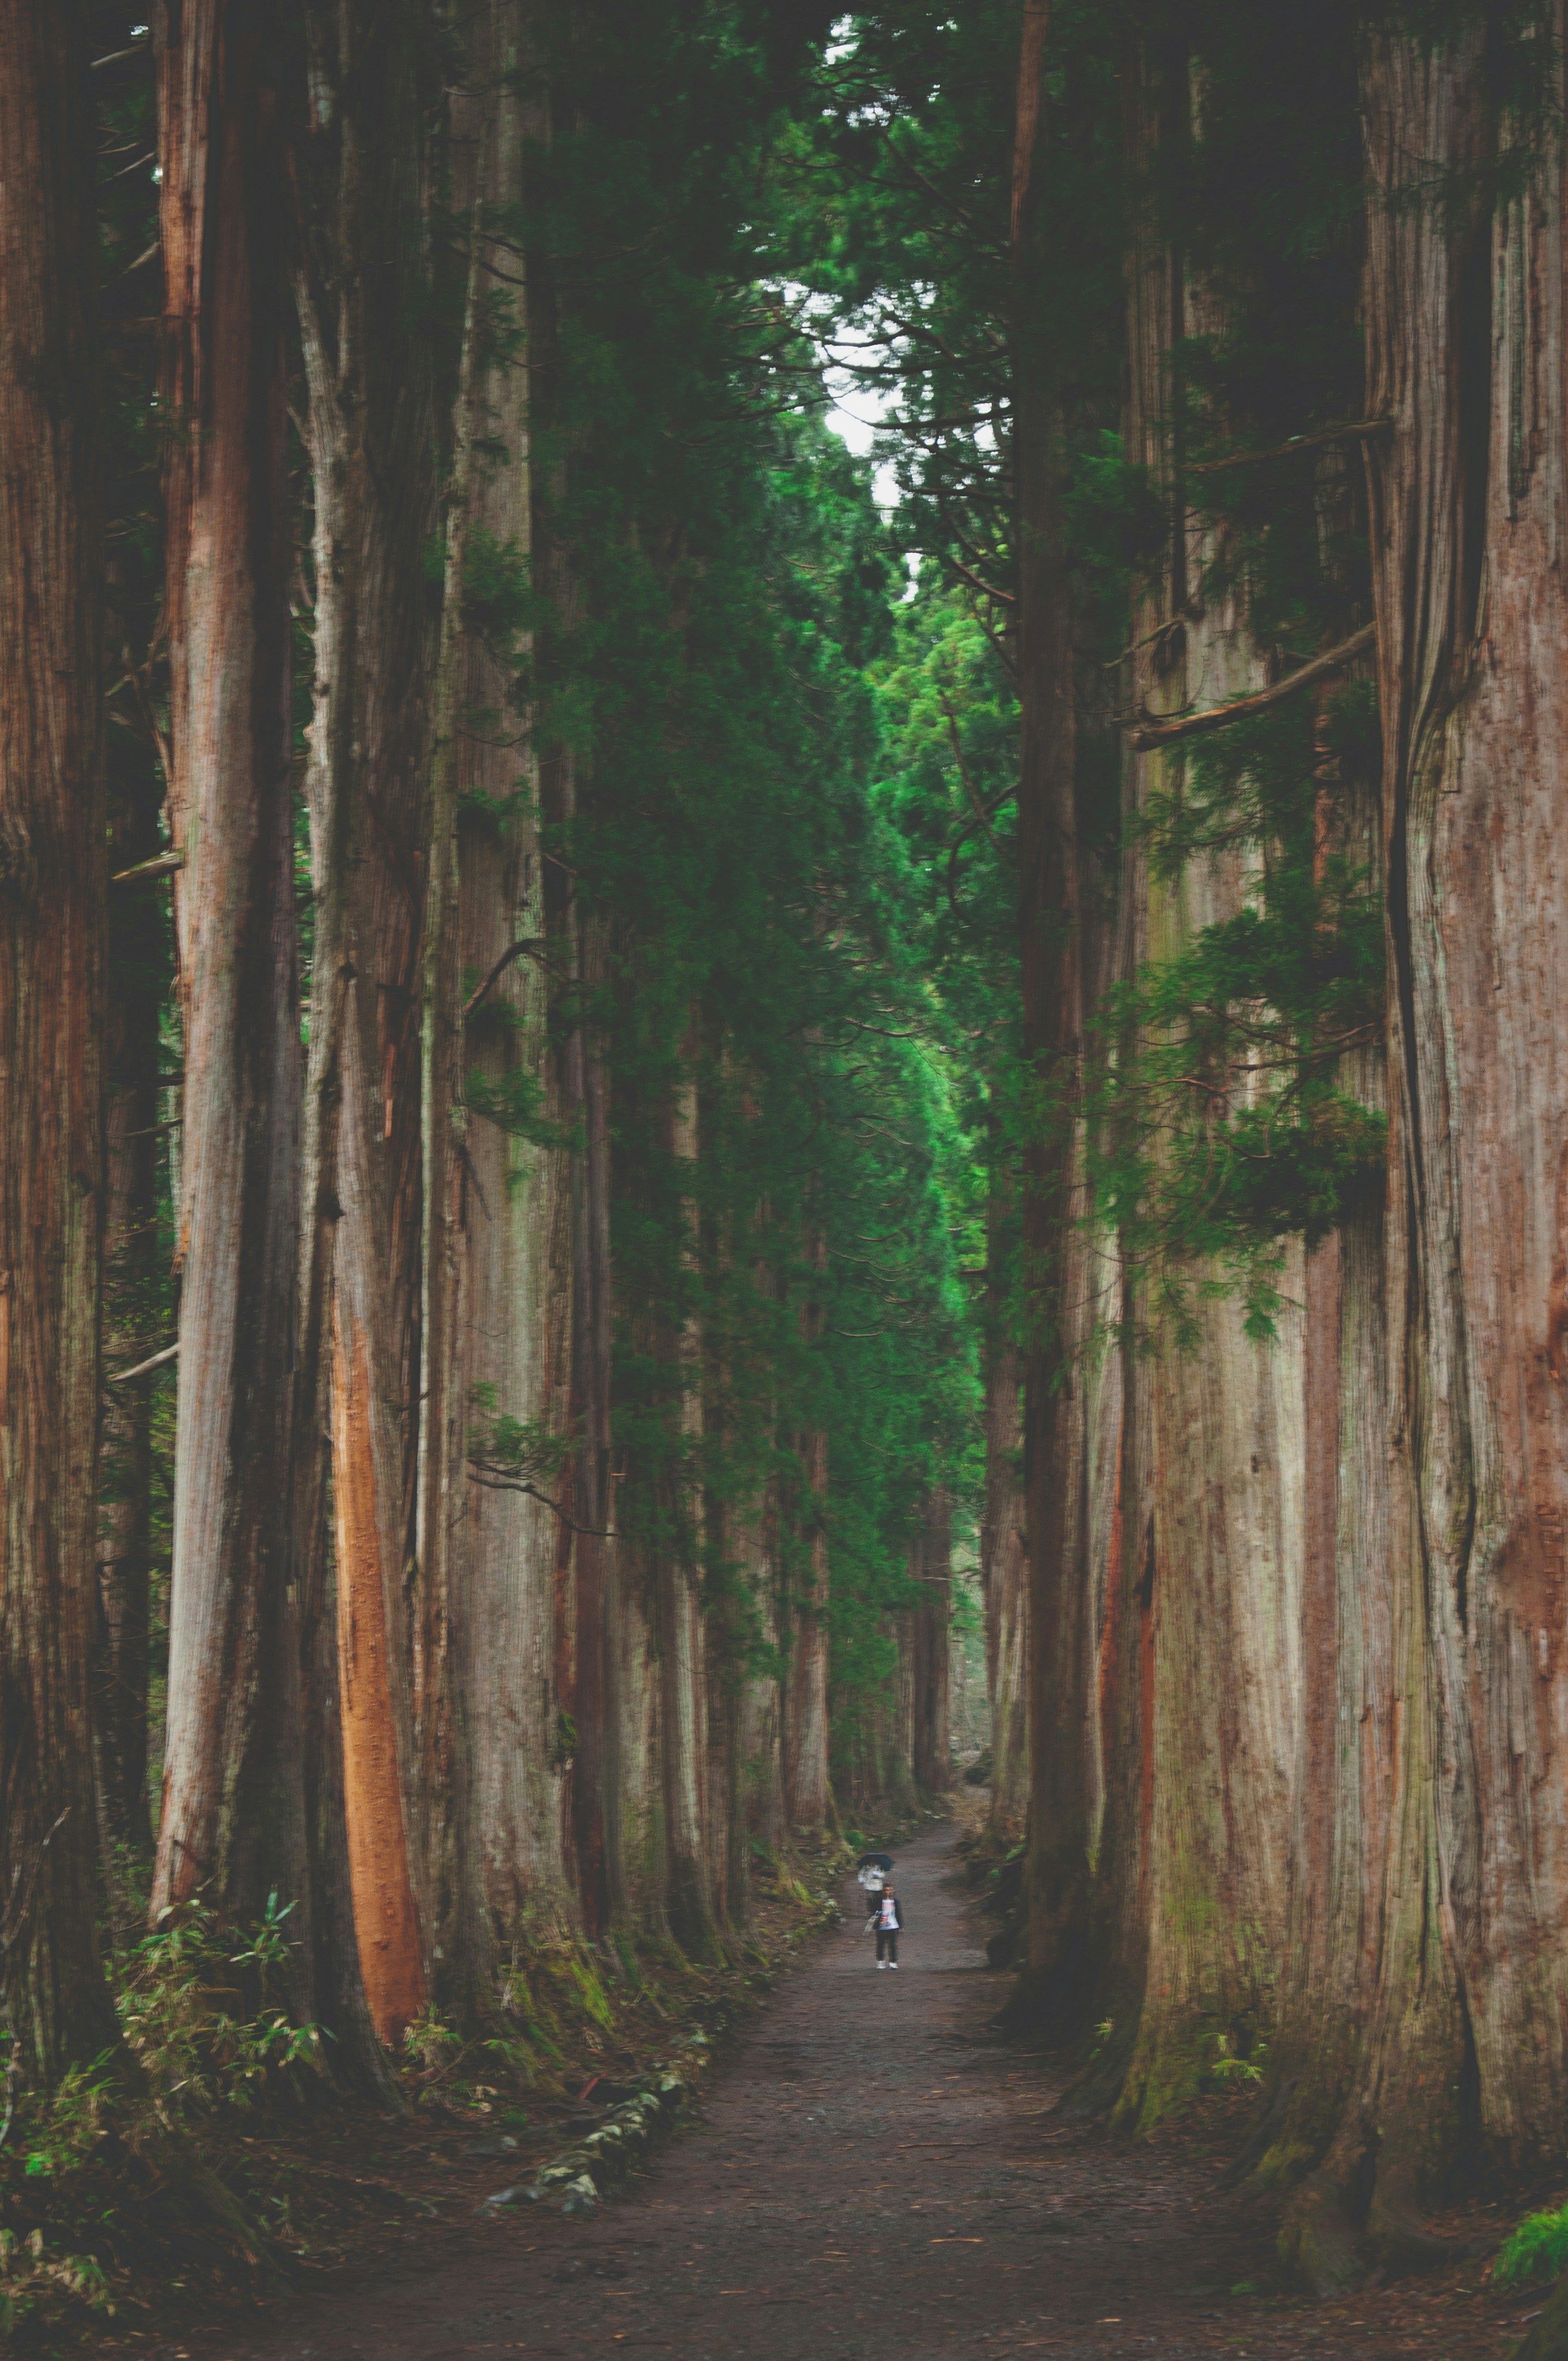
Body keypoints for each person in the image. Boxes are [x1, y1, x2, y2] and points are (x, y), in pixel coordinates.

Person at [872, 1880, 903, 1969]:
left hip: (893, 1926)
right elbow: (875, 1913)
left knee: (893, 1945)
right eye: (886, 1890)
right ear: (883, 1891)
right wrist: (876, 1921)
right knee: (881, 1945)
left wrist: (901, 1926)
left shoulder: (896, 1902)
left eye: (890, 1890)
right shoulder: (878, 1901)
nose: (888, 1892)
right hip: (881, 1927)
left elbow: (898, 1914)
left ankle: (893, 1962)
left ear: (893, 1891)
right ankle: (881, 1961)